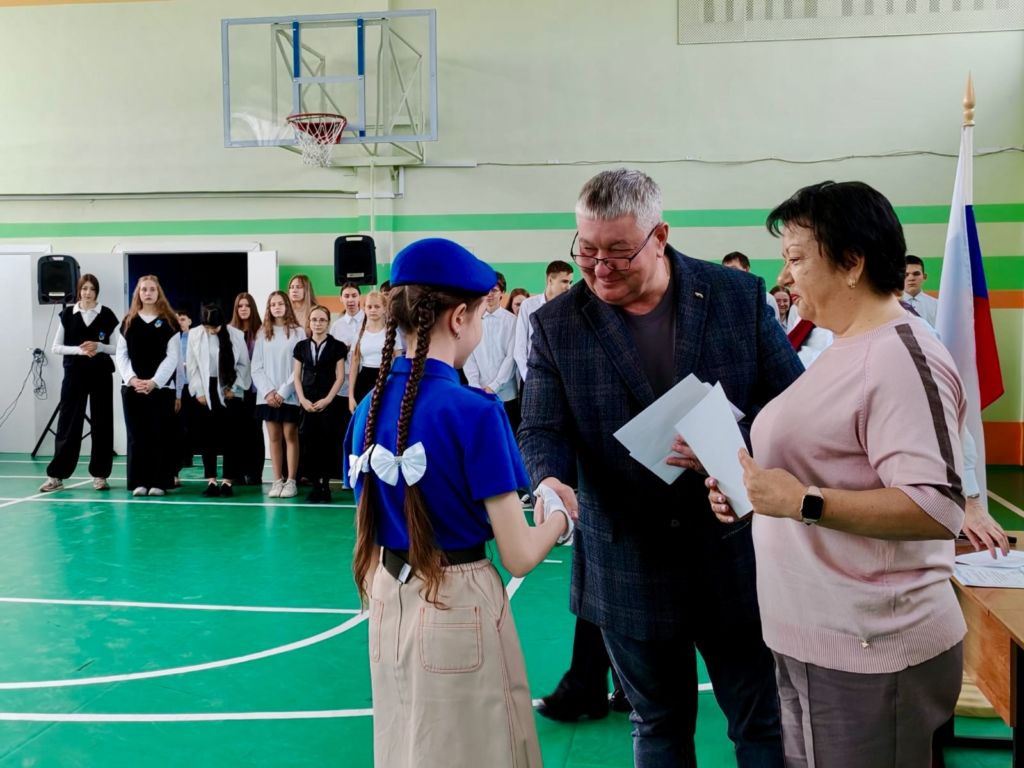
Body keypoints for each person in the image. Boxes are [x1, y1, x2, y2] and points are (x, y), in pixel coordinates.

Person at [518, 169, 802, 767]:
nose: (600, 268)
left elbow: (793, 406)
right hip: (628, 563)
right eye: (587, 250)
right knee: (657, 727)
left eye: (619, 252)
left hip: (734, 553)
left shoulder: (735, 296)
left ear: (661, 236)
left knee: (761, 722)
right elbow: (541, 428)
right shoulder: (556, 324)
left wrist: (734, 445)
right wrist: (549, 481)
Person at [706, 180, 967, 766]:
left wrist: (802, 501)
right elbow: (827, 467)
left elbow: (936, 506)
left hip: (872, 648)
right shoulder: (843, 346)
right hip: (815, 637)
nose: (785, 277)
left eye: (797, 258)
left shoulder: (901, 355)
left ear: (852, 263)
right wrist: (752, 494)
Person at [344, 237, 569, 768]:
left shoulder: (368, 409)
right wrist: (559, 516)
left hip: (388, 594)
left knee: (404, 747)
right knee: (483, 750)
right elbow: (518, 555)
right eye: (483, 315)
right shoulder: (475, 412)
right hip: (458, 599)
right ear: (460, 317)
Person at [39, 273, 119, 493]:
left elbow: (117, 348)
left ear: (97, 292)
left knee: (102, 423)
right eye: (84, 288)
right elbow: (56, 347)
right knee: (68, 424)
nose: (87, 293)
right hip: (74, 375)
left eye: (92, 289)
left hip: (101, 375)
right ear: (79, 291)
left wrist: (99, 347)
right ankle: (57, 476)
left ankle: (100, 475)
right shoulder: (67, 314)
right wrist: (81, 351)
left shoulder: (107, 315)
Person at [115, 274, 180, 497]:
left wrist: (154, 382)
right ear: (138, 293)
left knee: (159, 435)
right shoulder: (128, 322)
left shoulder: (169, 322)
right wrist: (132, 379)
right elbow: (121, 355)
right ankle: (139, 482)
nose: (148, 293)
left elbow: (172, 357)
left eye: (152, 289)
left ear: (158, 293)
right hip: (132, 389)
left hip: (160, 390)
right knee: (137, 436)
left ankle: (159, 482)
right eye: (144, 289)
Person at [187, 303, 251, 497]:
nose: (211, 331)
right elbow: (192, 366)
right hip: (206, 388)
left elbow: (244, 364)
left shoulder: (235, 335)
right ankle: (212, 480)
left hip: (229, 387)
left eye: (215, 327)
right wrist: (199, 391)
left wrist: (235, 387)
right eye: (208, 327)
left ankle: (228, 481)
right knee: (208, 436)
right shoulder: (195, 334)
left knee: (231, 436)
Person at [293, 305, 347, 502]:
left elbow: (340, 377)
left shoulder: (337, 346)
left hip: (328, 402)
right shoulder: (301, 347)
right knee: (309, 443)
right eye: (314, 319)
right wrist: (302, 399)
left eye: (322, 320)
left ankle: (325, 485)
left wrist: (328, 399)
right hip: (307, 401)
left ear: (328, 323)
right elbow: (296, 376)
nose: (318, 323)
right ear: (309, 322)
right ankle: (315, 485)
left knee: (327, 442)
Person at [251, 290, 302, 499]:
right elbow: (256, 367)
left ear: (287, 305)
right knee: (273, 437)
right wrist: (269, 392)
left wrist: (283, 392)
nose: (277, 307)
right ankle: (277, 480)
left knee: (290, 436)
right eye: (273, 304)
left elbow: (299, 367)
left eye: (280, 303)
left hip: (290, 394)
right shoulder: (263, 333)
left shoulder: (298, 332)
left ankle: (291, 481)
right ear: (269, 308)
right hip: (268, 397)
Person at [464, 273, 519, 430]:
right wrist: (475, 385)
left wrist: (494, 386)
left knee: (508, 436)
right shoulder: (471, 320)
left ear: (502, 292)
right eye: (486, 290)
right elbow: (468, 355)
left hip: (507, 395)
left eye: (494, 290)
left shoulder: (512, 321)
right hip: (479, 394)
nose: (489, 295)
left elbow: (511, 358)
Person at [513, 261, 573, 383]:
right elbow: (520, 347)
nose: (568, 287)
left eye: (570, 282)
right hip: (533, 377)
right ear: (550, 280)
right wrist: (529, 378)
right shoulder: (528, 305)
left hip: (561, 379)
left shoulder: (570, 308)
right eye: (564, 281)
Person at [330, 282, 365, 483]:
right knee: (345, 429)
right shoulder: (337, 326)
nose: (350, 299)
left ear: (359, 298)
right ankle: (345, 473)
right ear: (341, 299)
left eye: (353, 295)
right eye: (346, 296)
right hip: (344, 385)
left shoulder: (368, 320)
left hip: (365, 380)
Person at [229, 292, 265, 485]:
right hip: (235, 390)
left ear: (253, 308)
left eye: (247, 305)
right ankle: (236, 472)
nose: (243, 309)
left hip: (256, 390)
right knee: (236, 431)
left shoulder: (261, 331)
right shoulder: (229, 331)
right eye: (240, 306)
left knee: (254, 432)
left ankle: (254, 473)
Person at [348, 290, 391, 413]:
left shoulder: (391, 333)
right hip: (364, 382)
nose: (373, 310)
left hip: (386, 379)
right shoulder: (359, 334)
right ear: (364, 309)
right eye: (369, 307)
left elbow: (397, 362)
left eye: (377, 306)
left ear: (384, 308)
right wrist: (350, 395)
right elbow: (354, 366)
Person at [723, 252, 780, 323]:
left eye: (733, 269)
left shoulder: (767, 298)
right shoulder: (722, 299)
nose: (728, 273)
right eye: (725, 270)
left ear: (747, 270)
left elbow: (774, 327)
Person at [172, 308, 195, 488]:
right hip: (175, 388)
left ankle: (189, 457)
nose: (180, 322)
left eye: (183, 319)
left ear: (190, 321)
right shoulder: (171, 338)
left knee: (191, 426)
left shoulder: (194, 338)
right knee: (177, 427)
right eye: (177, 319)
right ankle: (177, 464)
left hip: (192, 387)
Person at [902, 254, 938, 326]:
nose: (911, 278)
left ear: (924, 277)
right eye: (906, 275)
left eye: (916, 274)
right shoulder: (890, 306)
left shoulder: (937, 306)